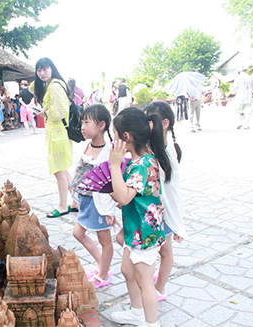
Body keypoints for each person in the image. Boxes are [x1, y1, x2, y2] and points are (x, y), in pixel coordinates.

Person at [108, 107, 171, 327]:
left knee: (145, 282)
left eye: (114, 135)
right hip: (136, 228)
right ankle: (137, 313)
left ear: (127, 137)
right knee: (127, 269)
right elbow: (131, 195)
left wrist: (115, 165)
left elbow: (125, 198)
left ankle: (151, 323)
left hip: (144, 233)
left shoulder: (142, 165)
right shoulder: (142, 161)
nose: (112, 140)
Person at [70, 104, 118, 289]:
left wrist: (110, 208)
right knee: (78, 233)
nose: (82, 126)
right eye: (82, 122)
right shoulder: (87, 146)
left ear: (102, 125)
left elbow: (112, 180)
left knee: (104, 240)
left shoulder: (108, 152)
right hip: (85, 201)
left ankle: (103, 274)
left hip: (100, 204)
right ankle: (102, 266)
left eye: (87, 122)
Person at [144, 101, 188, 302]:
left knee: (165, 251)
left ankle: (160, 288)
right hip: (155, 211)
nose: (147, 125)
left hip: (165, 212)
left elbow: (171, 191)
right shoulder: (153, 147)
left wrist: (175, 220)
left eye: (151, 120)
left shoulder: (166, 152)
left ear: (165, 123)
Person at [29, 57, 73, 218]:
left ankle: (63, 205)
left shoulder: (54, 87)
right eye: (39, 70)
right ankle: (77, 200)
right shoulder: (53, 84)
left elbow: (60, 112)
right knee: (62, 169)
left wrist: (45, 113)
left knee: (59, 170)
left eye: (45, 69)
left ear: (51, 68)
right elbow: (32, 87)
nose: (42, 73)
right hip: (58, 133)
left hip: (58, 134)